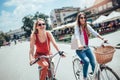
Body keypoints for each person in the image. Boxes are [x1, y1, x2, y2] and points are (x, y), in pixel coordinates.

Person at [74, 12, 107, 80]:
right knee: (86, 61)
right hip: (80, 49)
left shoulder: (87, 26)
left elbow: (94, 32)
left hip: (87, 47)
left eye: (84, 18)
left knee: (93, 63)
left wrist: (102, 38)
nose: (83, 19)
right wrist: (79, 44)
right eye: (81, 18)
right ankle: (85, 77)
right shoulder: (77, 27)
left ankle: (95, 77)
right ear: (79, 19)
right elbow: (77, 36)